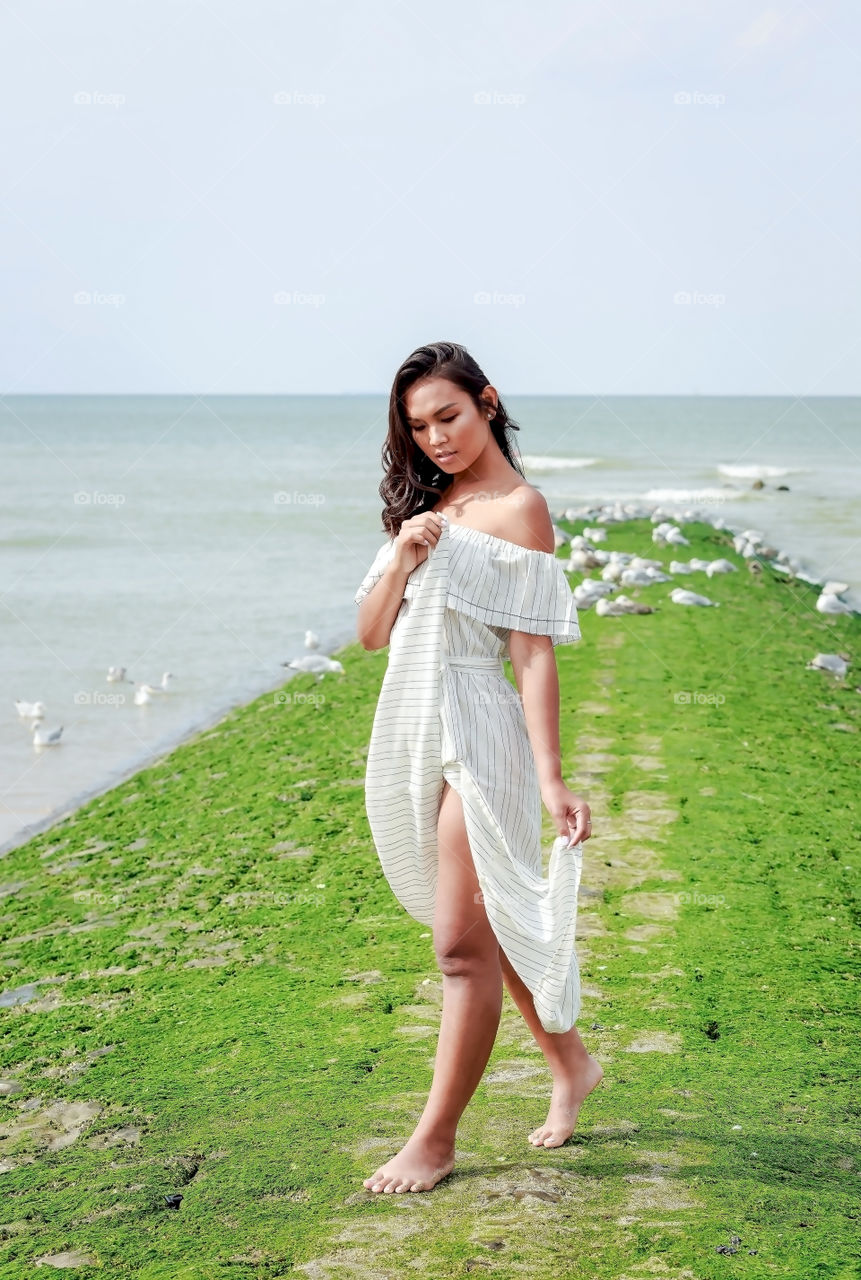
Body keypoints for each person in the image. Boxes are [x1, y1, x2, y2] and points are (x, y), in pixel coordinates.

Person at [354, 341, 602, 1195]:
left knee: (459, 949)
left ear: (488, 402)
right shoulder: (424, 507)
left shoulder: (520, 509)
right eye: (418, 426)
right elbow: (370, 634)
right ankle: (571, 1066)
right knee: (489, 930)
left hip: (478, 730)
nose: (434, 439)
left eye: (448, 417)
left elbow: (531, 654)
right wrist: (402, 555)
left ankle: (435, 1139)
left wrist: (552, 778)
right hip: (410, 722)